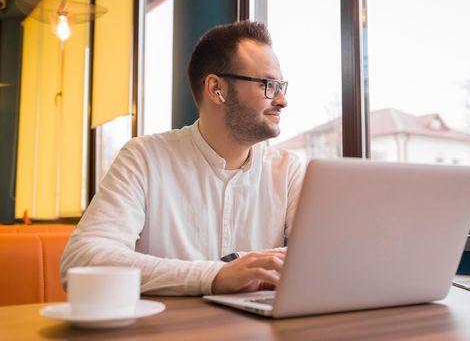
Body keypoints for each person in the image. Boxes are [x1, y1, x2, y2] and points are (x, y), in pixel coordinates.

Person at [60, 21, 305, 296]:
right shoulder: (145, 158)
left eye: (281, 85)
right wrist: (216, 276)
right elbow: (80, 261)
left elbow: (317, 257)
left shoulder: (288, 171)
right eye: (268, 85)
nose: (282, 100)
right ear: (216, 89)